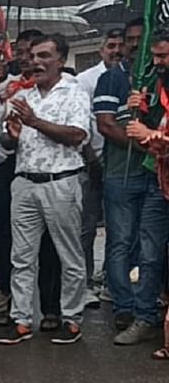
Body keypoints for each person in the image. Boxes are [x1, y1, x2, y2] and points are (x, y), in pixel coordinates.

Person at [0, 34, 91, 346]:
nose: (36, 62)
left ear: (61, 60)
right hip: (25, 181)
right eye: (33, 56)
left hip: (60, 181)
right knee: (21, 257)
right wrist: (11, 135)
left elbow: (77, 134)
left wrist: (35, 122)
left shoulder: (73, 93)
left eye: (44, 56)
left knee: (68, 255)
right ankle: (21, 320)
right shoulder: (26, 96)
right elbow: (6, 142)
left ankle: (71, 319)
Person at [95, 19, 158, 342]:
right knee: (119, 243)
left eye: (139, 38)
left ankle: (148, 303)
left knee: (148, 246)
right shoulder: (111, 78)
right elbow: (105, 125)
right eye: (129, 39)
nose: (134, 44)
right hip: (120, 174)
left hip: (152, 175)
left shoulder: (155, 76)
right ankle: (124, 305)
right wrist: (144, 144)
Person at [115, 29, 169, 346]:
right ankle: (145, 317)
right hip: (159, 182)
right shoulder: (156, 86)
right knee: (149, 255)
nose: (158, 62)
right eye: (155, 56)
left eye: (163, 56)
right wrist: (142, 108)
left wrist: (148, 133)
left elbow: (156, 136)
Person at [76, 28, 124, 299]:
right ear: (101, 50)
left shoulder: (129, 77)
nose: (116, 50)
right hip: (89, 159)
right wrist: (90, 159)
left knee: (118, 227)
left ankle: (109, 279)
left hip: (118, 162)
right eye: (111, 45)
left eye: (120, 45)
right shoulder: (85, 80)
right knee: (87, 226)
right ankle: (84, 283)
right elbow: (81, 124)